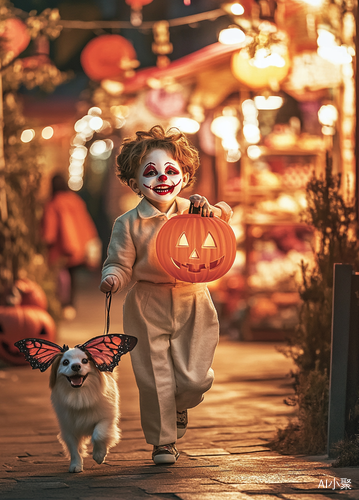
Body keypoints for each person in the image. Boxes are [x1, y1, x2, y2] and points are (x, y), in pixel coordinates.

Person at [100, 126, 232, 465]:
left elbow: (223, 219)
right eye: (151, 172)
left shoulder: (195, 209)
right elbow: (120, 262)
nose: (162, 178)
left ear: (185, 176)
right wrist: (113, 278)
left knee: (194, 376)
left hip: (193, 298)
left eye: (171, 170)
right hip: (146, 302)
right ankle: (163, 443)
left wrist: (212, 209)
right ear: (133, 184)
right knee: (153, 374)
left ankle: (182, 402)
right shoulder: (127, 224)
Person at [42, 174, 101, 319]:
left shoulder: (53, 203)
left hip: (62, 249)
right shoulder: (75, 200)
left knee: (61, 277)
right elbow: (85, 222)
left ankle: (63, 305)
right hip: (77, 246)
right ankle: (70, 306)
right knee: (72, 277)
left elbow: (50, 230)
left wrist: (45, 241)